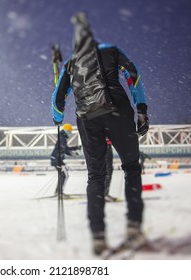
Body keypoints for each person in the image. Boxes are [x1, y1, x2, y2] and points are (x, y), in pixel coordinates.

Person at [51, 12, 149, 255]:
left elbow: (57, 97)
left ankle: (97, 236)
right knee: (131, 168)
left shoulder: (72, 61)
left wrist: (58, 118)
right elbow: (133, 77)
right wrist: (142, 110)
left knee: (95, 176)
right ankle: (134, 228)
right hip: (117, 111)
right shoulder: (112, 50)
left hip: (87, 118)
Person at [50, 123, 81, 195]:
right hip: (57, 160)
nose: (70, 134)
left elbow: (65, 148)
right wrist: (72, 154)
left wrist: (76, 147)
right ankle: (58, 192)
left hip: (56, 159)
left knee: (63, 175)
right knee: (64, 175)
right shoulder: (62, 138)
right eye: (70, 132)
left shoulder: (62, 137)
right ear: (66, 131)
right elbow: (64, 149)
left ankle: (58, 191)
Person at [104, 137, 119, 202]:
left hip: (107, 145)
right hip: (104, 146)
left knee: (108, 170)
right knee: (108, 171)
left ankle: (104, 194)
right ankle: (103, 194)